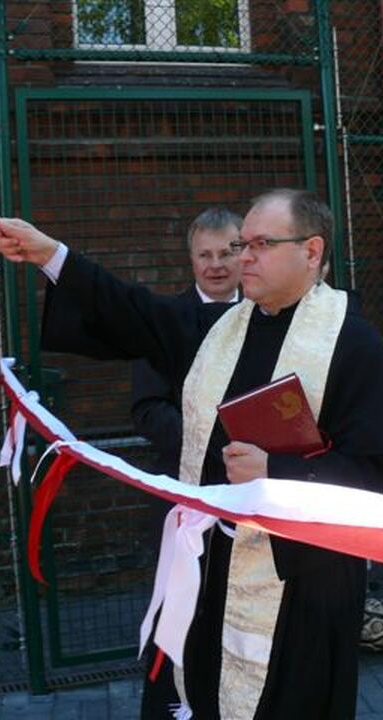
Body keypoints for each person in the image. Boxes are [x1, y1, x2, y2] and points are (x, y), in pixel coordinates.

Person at [0, 189, 383, 719]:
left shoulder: (352, 345)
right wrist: (50, 255)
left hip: (300, 585)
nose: (242, 258)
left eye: (260, 245)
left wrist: (276, 472)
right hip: (208, 564)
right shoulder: (223, 329)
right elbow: (135, 312)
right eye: (240, 245)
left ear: (312, 251)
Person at [130, 208, 242, 718]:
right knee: (180, 608)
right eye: (205, 255)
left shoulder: (271, 317)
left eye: (227, 253)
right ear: (191, 259)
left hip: (251, 493)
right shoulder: (161, 321)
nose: (216, 265)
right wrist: (209, 447)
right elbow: (147, 409)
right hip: (186, 491)